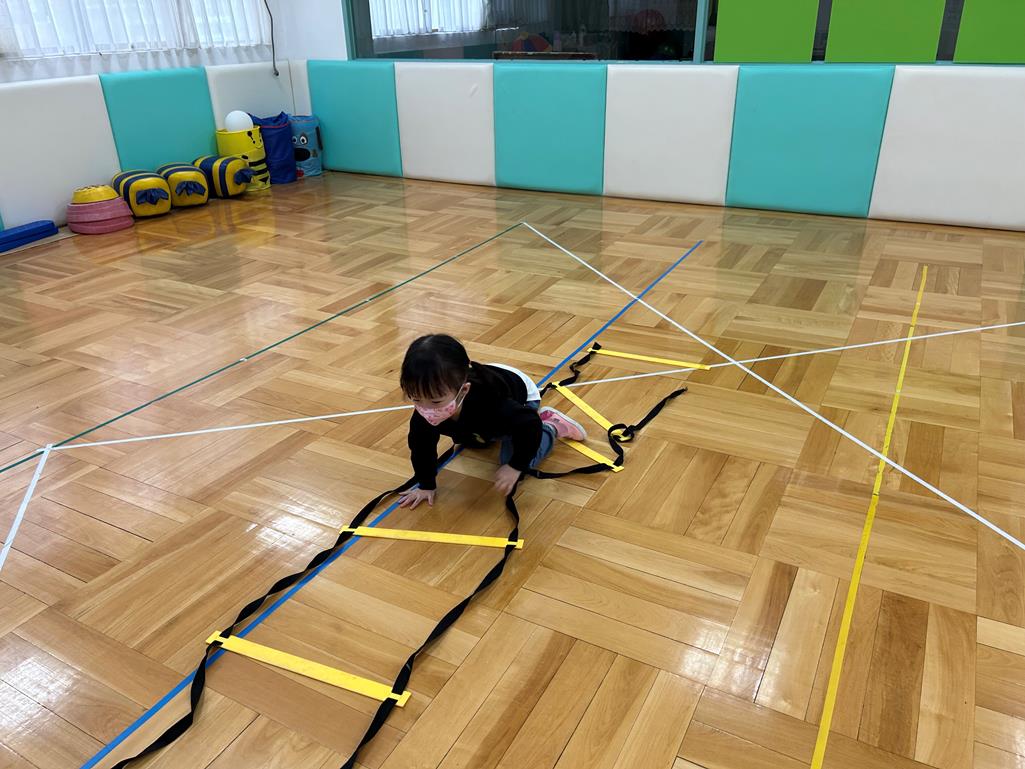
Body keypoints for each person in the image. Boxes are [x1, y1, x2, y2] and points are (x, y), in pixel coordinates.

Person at [398, 334, 586, 508]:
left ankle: (551, 425)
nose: (427, 410)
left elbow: (529, 425)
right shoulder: (429, 407)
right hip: (481, 379)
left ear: (463, 391)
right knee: (475, 440)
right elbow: (421, 447)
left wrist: (515, 466)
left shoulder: (491, 406)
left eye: (436, 402)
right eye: (416, 398)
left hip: (521, 395)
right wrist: (426, 485)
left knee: (516, 463)